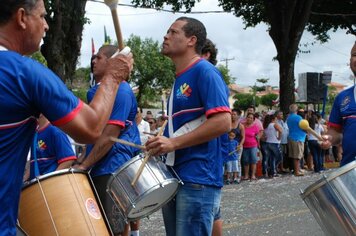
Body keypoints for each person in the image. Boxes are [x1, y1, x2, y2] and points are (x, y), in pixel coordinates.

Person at [0, 1, 133, 234]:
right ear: (22, 18)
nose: (46, 26)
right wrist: (113, 76)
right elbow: (90, 127)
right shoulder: (25, 73)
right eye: (42, 17)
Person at [145, 17, 231, 235]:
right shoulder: (179, 79)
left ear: (191, 40)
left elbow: (223, 122)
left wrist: (173, 143)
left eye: (173, 32)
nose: (165, 36)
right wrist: (161, 143)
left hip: (198, 177)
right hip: (175, 175)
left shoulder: (206, 72)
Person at [76, 45, 141, 236]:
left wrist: (85, 164)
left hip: (114, 167)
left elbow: (110, 134)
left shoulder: (121, 90)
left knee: (115, 228)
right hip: (99, 166)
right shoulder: (95, 92)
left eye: (99, 58)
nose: (93, 61)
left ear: (113, 62)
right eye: (93, 58)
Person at [321, 42, 356, 167]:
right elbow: (336, 133)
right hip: (350, 172)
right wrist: (330, 139)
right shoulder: (341, 98)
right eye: (354, 55)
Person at [23, 115, 77, 181]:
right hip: (37, 185)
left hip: (51, 184)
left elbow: (68, 160)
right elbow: (34, 161)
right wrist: (23, 180)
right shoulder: (33, 133)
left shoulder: (55, 131)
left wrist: (51, 180)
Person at [286, 104, 307, 176]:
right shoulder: (298, 117)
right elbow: (304, 127)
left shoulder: (288, 118)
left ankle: (297, 169)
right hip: (298, 138)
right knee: (297, 156)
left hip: (291, 137)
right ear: (296, 110)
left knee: (295, 155)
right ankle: (296, 171)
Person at [241, 112, 261, 180]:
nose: (249, 119)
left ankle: (253, 175)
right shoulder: (242, 125)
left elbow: (257, 137)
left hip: (253, 146)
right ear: (246, 118)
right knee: (245, 161)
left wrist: (259, 145)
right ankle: (246, 175)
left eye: (251, 118)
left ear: (253, 120)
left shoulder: (255, 126)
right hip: (244, 146)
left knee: (253, 160)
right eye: (248, 117)